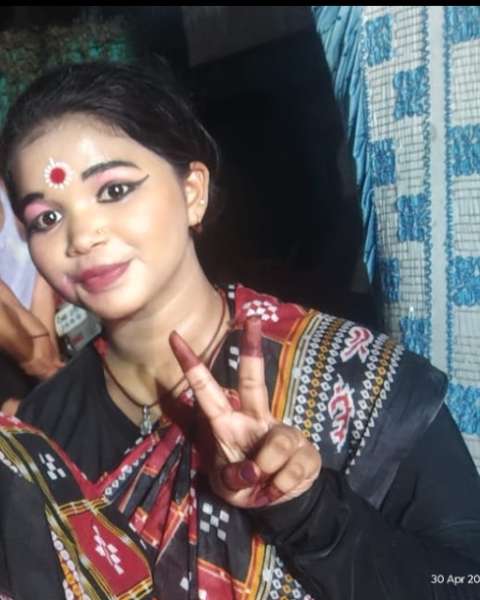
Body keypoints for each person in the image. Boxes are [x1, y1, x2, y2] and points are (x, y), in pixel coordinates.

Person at [0, 61, 478, 600]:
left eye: (113, 190)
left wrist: (310, 511)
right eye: (46, 218)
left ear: (192, 192)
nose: (82, 236)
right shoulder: (38, 437)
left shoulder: (351, 375)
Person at [0, 181, 62, 414]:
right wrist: (36, 360)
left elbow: (38, 276)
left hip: (31, 328)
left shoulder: (13, 187)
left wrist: (48, 356)